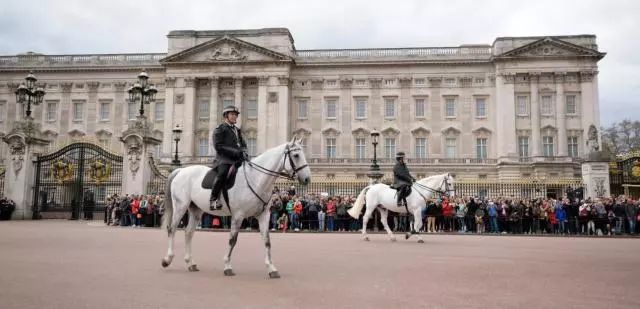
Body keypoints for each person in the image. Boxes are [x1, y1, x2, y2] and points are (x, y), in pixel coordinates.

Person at [210, 105, 248, 210]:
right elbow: (218, 146)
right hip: (224, 160)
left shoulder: (237, 130)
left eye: (236, 115)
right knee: (222, 174)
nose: (235, 117)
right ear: (226, 116)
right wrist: (235, 152)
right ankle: (213, 199)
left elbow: (243, 144)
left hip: (237, 160)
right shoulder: (220, 129)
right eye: (232, 114)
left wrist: (244, 151)